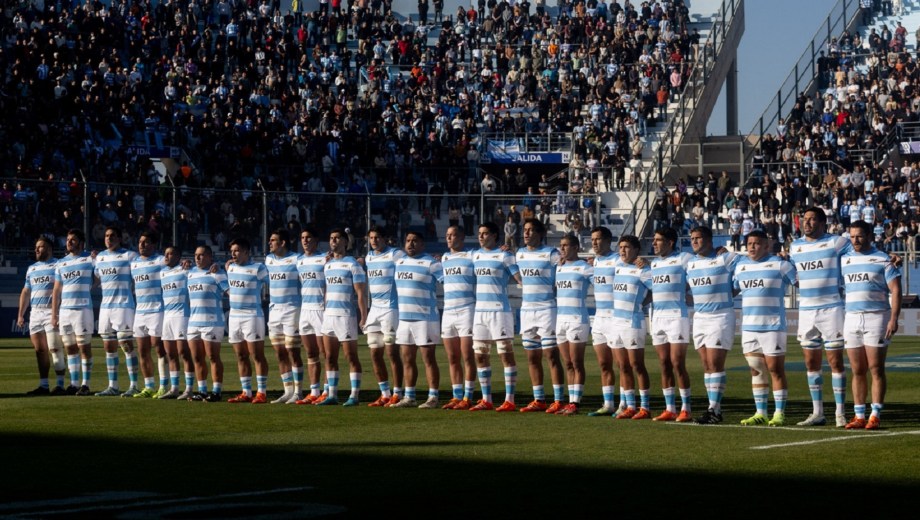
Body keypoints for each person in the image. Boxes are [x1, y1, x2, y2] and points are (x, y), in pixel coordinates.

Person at [790, 207, 853, 427]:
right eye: (804, 219)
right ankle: (818, 412)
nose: (807, 223)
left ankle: (840, 413)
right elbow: (792, 273)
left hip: (831, 309)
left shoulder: (837, 243)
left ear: (822, 222)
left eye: (812, 219)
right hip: (806, 311)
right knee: (810, 362)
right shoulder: (795, 246)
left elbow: (860, 251)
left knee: (835, 361)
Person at [841, 220, 901, 430]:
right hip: (851, 318)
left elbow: (895, 290)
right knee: (857, 369)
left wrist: (894, 318)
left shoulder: (883, 259)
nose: (855, 241)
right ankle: (859, 416)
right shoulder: (844, 259)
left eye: (859, 236)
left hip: (877, 317)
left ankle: (875, 415)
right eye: (852, 237)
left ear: (869, 236)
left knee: (875, 368)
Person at [733, 230, 797, 427]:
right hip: (749, 327)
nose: (752, 247)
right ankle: (760, 412)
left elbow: (802, 281)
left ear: (766, 246)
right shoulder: (740, 267)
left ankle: (779, 412)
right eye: (749, 243)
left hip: (773, 327)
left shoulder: (781, 265)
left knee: (775, 369)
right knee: (756, 370)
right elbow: (732, 289)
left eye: (757, 243)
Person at [687, 226, 739, 425]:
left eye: (698, 238)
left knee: (716, 364)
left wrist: (728, 293)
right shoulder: (690, 264)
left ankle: (714, 410)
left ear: (709, 240)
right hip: (699, 316)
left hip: (720, 316)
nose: (694, 241)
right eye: (692, 238)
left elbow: (747, 267)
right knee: (706, 365)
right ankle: (713, 408)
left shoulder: (724, 258)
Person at [469, 222, 522, 411]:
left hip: (500, 311)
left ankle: (510, 400)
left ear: (494, 235)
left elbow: (520, 279)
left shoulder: (505, 255)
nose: (481, 237)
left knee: (505, 355)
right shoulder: (474, 255)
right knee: (480, 356)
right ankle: (487, 399)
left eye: (485, 234)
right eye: (479, 234)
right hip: (479, 313)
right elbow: (457, 258)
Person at [516, 218, 565, 413]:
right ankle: (539, 399)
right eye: (525, 230)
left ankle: (559, 399)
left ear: (540, 233)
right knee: (532, 358)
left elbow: (563, 269)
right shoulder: (518, 254)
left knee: (551, 355)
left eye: (530, 230)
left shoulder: (551, 254)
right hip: (527, 310)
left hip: (547, 309)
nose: (526, 233)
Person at [316, 228, 368, 406]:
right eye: (331, 238)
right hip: (329, 316)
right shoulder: (327, 264)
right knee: (329, 357)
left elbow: (361, 293)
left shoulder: (353, 264)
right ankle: (332, 395)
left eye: (337, 238)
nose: (333, 241)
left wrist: (363, 316)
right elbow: (326, 291)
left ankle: (354, 395)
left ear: (346, 242)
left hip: (345, 316)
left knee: (351, 356)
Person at [392, 231, 443, 408]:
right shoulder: (399, 262)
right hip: (404, 319)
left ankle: (433, 397)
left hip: (425, 319)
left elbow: (449, 282)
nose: (411, 244)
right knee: (407, 359)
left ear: (422, 245)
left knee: (428, 358)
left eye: (415, 241)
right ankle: (410, 396)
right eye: (407, 241)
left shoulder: (432, 263)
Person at [648, 227, 694, 422]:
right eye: (654, 240)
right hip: (657, 317)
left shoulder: (685, 259)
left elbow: (698, 272)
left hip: (677, 316)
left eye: (658, 240)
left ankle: (686, 407)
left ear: (670, 242)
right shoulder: (653, 264)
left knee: (677, 363)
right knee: (664, 364)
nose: (654, 243)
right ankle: (670, 408)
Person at [93, 226, 141, 397]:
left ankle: (134, 385)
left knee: (126, 345)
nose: (109, 238)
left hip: (124, 305)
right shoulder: (100, 257)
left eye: (113, 235)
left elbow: (140, 276)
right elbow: (96, 279)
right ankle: (113, 386)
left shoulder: (130, 256)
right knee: (108, 346)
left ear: (120, 238)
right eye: (106, 236)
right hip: (106, 307)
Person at [610, 235, 653, 420]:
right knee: (622, 366)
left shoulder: (642, 270)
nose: (622, 251)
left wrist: (642, 303)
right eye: (620, 247)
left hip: (633, 322)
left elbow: (655, 289)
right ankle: (630, 406)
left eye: (626, 247)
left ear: (636, 250)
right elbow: (599, 260)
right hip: (616, 322)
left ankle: (645, 406)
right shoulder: (617, 266)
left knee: (637, 365)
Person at [364, 226, 406, 407]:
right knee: (375, 354)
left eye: (377, 237)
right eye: (371, 238)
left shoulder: (396, 255)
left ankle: (398, 392)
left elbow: (410, 262)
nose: (374, 241)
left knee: (392, 354)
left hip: (391, 309)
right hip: (374, 310)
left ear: (385, 239)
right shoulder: (368, 257)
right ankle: (384, 393)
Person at [18, 236, 66, 395]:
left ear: (49, 249)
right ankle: (44, 385)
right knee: (40, 350)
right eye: (36, 247)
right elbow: (26, 291)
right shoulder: (31, 268)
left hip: (51, 312)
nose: (36, 249)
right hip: (35, 313)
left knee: (55, 348)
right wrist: (21, 315)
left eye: (40, 246)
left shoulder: (58, 264)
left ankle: (60, 385)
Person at [226, 238, 271, 404]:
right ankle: (246, 392)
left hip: (252, 315)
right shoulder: (229, 267)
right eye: (232, 251)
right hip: (234, 316)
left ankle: (262, 392)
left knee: (256, 355)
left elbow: (273, 282)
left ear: (246, 252)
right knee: (241, 355)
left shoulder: (258, 268)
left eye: (237, 250)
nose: (233, 254)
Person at [51, 229, 95, 395]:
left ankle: (85, 384)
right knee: (70, 348)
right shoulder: (61, 263)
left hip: (82, 309)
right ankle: (74, 384)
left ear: (81, 242)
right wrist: (54, 314)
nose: (69, 242)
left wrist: (92, 285)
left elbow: (100, 276)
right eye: (68, 239)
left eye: (73, 240)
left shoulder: (90, 259)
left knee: (84, 347)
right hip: (65, 311)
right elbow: (56, 290)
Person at [554, 233, 593, 415]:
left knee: (577, 362)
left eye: (566, 245)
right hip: (560, 319)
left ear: (576, 247)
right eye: (561, 245)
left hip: (577, 319)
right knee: (567, 362)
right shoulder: (559, 268)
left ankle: (576, 402)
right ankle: (570, 400)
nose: (562, 248)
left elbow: (603, 282)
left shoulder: (585, 268)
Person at [440, 225, 478, 410]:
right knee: (452, 357)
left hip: (466, 310)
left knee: (467, 356)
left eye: (453, 235)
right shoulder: (444, 258)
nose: (449, 238)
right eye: (447, 235)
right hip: (448, 311)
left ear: (461, 237)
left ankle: (468, 396)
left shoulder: (471, 256)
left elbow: (487, 257)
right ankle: (456, 396)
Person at [265, 229, 304, 404]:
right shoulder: (268, 260)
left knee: (293, 351)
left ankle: (298, 391)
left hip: (291, 310)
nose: (269, 243)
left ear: (283, 243)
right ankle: (287, 391)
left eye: (273, 240)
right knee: (280, 352)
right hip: (274, 311)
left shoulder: (297, 259)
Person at [587, 226, 621, 417]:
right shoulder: (595, 263)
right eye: (592, 239)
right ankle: (608, 404)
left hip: (616, 318)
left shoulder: (618, 260)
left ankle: (626, 403)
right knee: (603, 364)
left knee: (621, 364)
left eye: (598, 239)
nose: (594, 243)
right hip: (599, 318)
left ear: (608, 241)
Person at [186, 245, 228, 402]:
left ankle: (217, 391)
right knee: (197, 358)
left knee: (213, 357)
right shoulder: (189, 274)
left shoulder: (217, 273)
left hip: (212, 321)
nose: (198, 258)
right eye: (196, 255)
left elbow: (229, 291)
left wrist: (225, 266)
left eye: (202, 255)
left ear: (210, 257)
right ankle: (202, 390)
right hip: (193, 322)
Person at [130, 231, 169, 398]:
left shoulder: (161, 261)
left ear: (153, 245)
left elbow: (176, 266)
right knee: (142, 350)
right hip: (140, 312)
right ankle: (149, 386)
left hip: (157, 310)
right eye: (140, 241)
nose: (141, 245)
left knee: (159, 348)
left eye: (145, 242)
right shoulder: (134, 263)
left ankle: (164, 386)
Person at [294, 227, 329, 404]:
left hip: (321, 309)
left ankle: (327, 390)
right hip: (305, 310)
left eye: (308, 237)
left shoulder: (325, 258)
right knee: (310, 353)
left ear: (316, 240)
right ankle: (314, 391)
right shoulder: (298, 261)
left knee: (325, 353)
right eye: (302, 238)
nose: (305, 241)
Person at [159, 246, 195, 400]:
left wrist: (189, 264)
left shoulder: (185, 271)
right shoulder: (162, 273)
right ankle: (174, 388)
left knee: (184, 353)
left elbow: (196, 272)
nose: (167, 256)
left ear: (179, 257)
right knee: (170, 354)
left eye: (171, 253)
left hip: (182, 315)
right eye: (165, 254)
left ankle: (189, 388)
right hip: (167, 316)